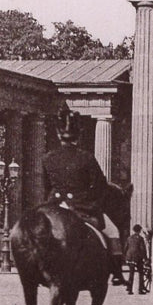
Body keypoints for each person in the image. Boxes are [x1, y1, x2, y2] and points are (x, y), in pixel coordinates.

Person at [42, 107, 125, 282]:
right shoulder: (86, 157)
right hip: (82, 206)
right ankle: (117, 273)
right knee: (113, 232)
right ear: (78, 135)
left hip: (54, 205)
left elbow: (45, 185)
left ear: (58, 135)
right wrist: (93, 201)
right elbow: (100, 186)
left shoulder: (48, 158)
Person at [124, 224, 149, 294]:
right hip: (137, 257)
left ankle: (129, 289)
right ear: (140, 230)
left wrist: (126, 256)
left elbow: (125, 248)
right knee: (141, 273)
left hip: (129, 257)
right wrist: (145, 258)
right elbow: (142, 249)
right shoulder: (140, 238)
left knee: (131, 273)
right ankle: (140, 289)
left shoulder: (129, 238)